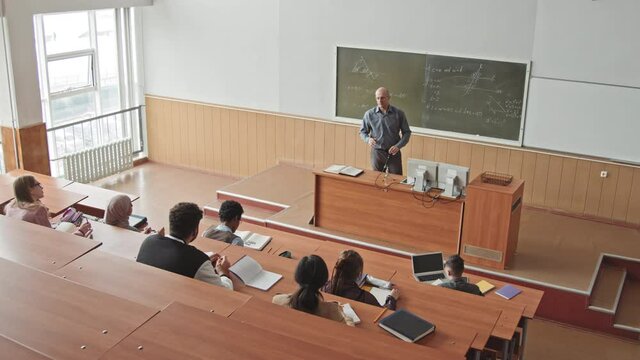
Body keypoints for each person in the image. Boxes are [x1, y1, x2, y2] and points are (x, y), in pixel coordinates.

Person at [136, 202, 233, 290]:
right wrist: (223, 272)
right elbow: (224, 291)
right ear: (195, 231)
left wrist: (203, 260)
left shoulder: (149, 241)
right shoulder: (197, 261)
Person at [273, 255, 354, 326]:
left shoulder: (277, 300)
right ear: (324, 281)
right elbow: (348, 332)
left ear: (297, 277)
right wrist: (346, 317)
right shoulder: (332, 310)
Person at [3, 175, 91, 237]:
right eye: (38, 185)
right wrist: (80, 232)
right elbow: (52, 240)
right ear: (30, 190)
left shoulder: (10, 206)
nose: (42, 187)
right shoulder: (38, 210)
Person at [359, 87, 412, 175]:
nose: (380, 100)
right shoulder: (369, 114)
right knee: (377, 180)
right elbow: (362, 132)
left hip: (393, 153)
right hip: (377, 152)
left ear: (388, 98)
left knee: (395, 180)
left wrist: (398, 146)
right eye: (378, 98)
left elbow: (407, 132)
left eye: (383, 98)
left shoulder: (399, 114)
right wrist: (368, 139)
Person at [323, 250, 399, 309]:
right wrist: (391, 299)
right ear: (358, 274)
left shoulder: (325, 288)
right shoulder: (365, 298)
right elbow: (384, 314)